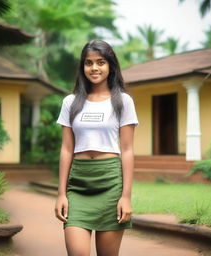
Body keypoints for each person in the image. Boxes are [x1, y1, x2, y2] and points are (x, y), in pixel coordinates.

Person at [55, 39, 139, 256]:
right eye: (88, 63)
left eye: (100, 62)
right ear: (82, 67)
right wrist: (61, 194)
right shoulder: (70, 102)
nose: (94, 68)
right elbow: (66, 149)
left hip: (110, 183)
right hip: (79, 185)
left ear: (110, 65)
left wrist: (126, 196)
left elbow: (128, 150)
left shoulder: (123, 101)